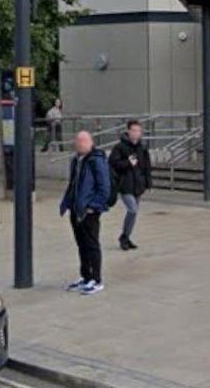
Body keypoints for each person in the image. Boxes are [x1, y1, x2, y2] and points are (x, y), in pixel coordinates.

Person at [59, 131, 110, 296]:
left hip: (89, 211)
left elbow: (104, 187)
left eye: (84, 141)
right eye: (78, 141)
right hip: (76, 209)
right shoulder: (77, 160)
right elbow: (73, 184)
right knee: (81, 244)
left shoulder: (97, 160)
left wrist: (93, 207)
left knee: (92, 244)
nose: (80, 144)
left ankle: (96, 278)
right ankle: (86, 276)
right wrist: (66, 203)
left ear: (91, 142)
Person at [108, 120, 151, 251]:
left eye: (139, 131)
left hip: (138, 185)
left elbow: (147, 167)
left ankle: (126, 237)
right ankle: (124, 237)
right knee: (132, 209)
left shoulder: (142, 148)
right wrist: (127, 163)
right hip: (125, 185)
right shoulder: (119, 148)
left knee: (134, 212)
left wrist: (148, 182)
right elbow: (113, 165)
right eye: (134, 130)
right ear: (128, 131)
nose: (137, 133)